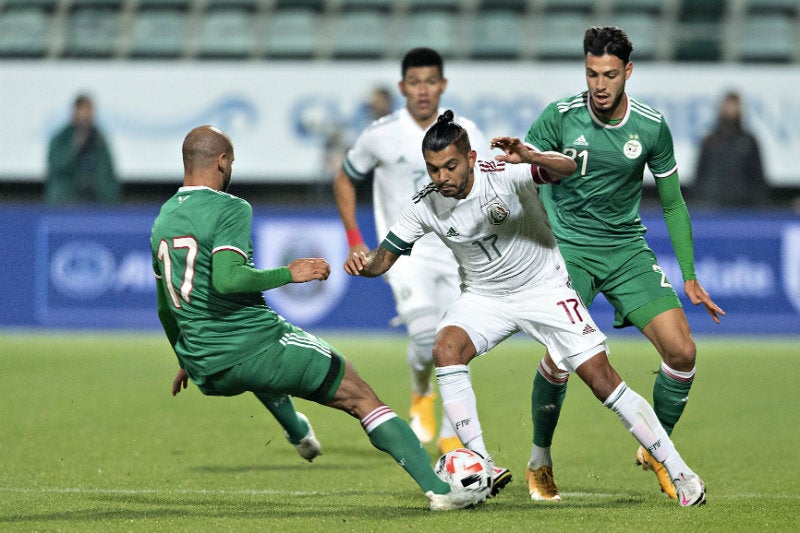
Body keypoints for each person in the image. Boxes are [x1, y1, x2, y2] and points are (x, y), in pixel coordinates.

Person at [344, 110, 707, 507]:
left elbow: (567, 169)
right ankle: (482, 460)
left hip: (544, 290)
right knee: (445, 346)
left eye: (450, 166)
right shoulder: (425, 205)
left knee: (602, 379)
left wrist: (533, 157)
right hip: (485, 298)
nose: (442, 178)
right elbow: (384, 258)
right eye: (433, 169)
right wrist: (364, 264)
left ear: (469, 158)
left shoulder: (503, 172)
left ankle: (679, 470)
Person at [149, 125, 488, 512]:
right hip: (249, 345)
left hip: (205, 365)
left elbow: (165, 305)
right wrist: (288, 274)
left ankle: (297, 430)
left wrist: (185, 354)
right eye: (232, 161)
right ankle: (440, 491)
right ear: (222, 161)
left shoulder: (163, 220)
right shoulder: (230, 207)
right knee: (360, 396)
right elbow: (227, 280)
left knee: (263, 366)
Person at [523, 26, 724, 502]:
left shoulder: (652, 126)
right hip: (568, 248)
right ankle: (539, 458)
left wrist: (690, 276)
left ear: (627, 72)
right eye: (592, 73)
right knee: (561, 357)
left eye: (610, 74)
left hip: (625, 250)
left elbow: (673, 205)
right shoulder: (559, 117)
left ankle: (657, 449)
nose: (599, 84)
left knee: (682, 352)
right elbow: (522, 179)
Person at [333, 47, 489, 455]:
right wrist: (355, 239)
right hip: (404, 255)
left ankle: (454, 427)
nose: (423, 91)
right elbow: (345, 178)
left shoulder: (467, 132)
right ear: (403, 87)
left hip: (458, 253)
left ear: (443, 85)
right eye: (415, 83)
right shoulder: (381, 134)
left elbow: (488, 184)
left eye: (431, 82)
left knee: (454, 343)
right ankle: (422, 394)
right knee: (424, 338)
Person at [693, 90, 769, 208]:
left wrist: (756, 202)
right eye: (728, 106)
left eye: (734, 106)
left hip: (743, 206)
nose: (730, 111)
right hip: (713, 205)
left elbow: (758, 176)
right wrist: (700, 199)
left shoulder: (749, 141)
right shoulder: (710, 141)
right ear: (721, 108)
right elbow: (700, 175)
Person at [46, 94, 120, 204]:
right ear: (74, 114)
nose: (85, 117)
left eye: (88, 113)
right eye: (82, 113)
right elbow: (56, 168)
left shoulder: (100, 140)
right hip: (66, 200)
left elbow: (108, 174)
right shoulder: (60, 139)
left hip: (97, 200)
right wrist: (75, 146)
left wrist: (111, 197)